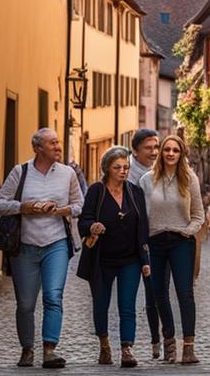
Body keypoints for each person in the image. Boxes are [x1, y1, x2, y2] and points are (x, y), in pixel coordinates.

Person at [0, 128, 84, 368]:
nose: (58, 147)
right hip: (25, 245)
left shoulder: (68, 174)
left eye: (58, 142)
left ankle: (49, 349)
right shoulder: (20, 172)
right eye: (52, 143)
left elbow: (80, 205)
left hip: (56, 244)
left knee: (54, 296)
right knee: (25, 302)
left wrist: (63, 210)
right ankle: (27, 349)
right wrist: (26, 207)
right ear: (37, 148)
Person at [77, 146, 151, 368]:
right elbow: (83, 221)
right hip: (102, 260)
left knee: (127, 305)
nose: (123, 171)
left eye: (126, 167)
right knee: (101, 304)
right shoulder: (96, 192)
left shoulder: (135, 192)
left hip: (130, 259)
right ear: (107, 168)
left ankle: (127, 349)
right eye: (117, 167)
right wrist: (92, 226)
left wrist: (145, 261)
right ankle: (104, 344)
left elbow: (143, 228)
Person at [139, 134, 205, 364]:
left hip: (180, 241)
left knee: (184, 293)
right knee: (159, 294)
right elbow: (141, 216)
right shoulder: (146, 180)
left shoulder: (189, 179)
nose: (170, 154)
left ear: (181, 153)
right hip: (155, 241)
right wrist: (142, 240)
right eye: (166, 149)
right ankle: (168, 341)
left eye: (175, 150)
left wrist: (187, 231)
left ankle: (188, 347)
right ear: (160, 152)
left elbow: (199, 215)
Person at [127, 128, 162, 359]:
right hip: (128, 242)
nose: (153, 152)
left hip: (152, 241)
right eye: (148, 148)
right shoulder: (124, 171)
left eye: (155, 147)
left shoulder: (158, 172)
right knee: (127, 296)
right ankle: (123, 345)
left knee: (154, 294)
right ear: (136, 150)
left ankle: (156, 342)